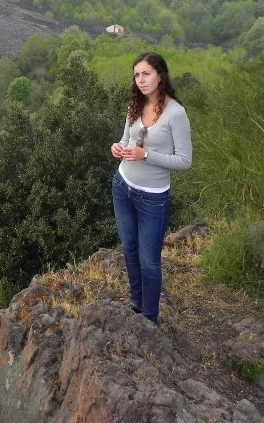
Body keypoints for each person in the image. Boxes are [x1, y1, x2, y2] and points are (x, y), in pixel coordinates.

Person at [110, 52, 192, 325]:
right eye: (136, 75)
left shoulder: (176, 113)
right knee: (129, 249)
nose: (140, 80)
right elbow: (126, 139)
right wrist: (118, 148)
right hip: (123, 186)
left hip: (152, 197)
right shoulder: (135, 103)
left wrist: (146, 155)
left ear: (160, 75)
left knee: (149, 261)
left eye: (146, 74)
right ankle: (136, 303)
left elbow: (184, 160)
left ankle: (150, 318)